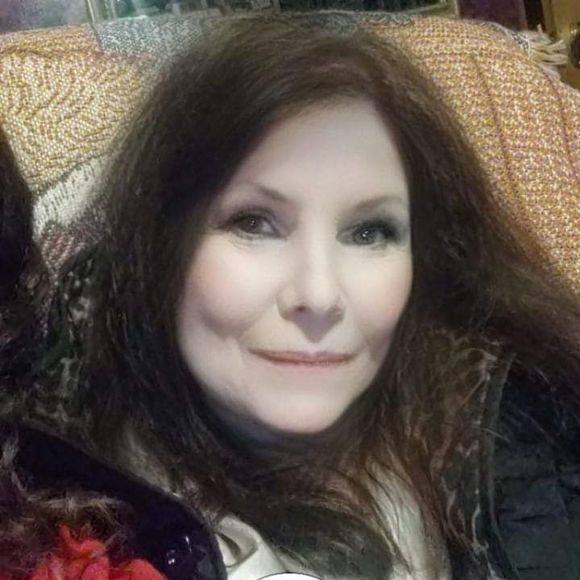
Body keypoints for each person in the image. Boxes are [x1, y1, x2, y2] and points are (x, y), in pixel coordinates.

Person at [1, 15, 579, 580]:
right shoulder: (46, 473)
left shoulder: (524, 449)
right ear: (157, 248)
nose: (319, 295)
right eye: (254, 222)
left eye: (369, 232)